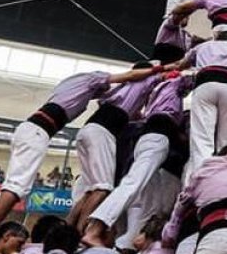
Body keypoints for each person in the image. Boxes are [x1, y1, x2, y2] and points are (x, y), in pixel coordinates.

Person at [0, 69, 156, 247]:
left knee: (90, 189)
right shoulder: (91, 78)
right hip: (38, 131)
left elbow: (114, 99)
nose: (105, 90)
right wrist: (164, 68)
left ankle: (68, 233)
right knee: (16, 187)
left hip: (34, 129)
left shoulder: (69, 86)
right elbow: (130, 76)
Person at [82, 73, 191, 248]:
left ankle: (120, 244)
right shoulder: (172, 86)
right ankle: (95, 229)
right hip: (157, 140)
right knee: (132, 184)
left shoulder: (153, 97)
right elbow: (193, 78)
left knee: (145, 203)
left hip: (147, 142)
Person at [69, 64, 168, 230]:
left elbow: (135, 114)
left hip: (86, 131)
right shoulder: (142, 82)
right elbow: (164, 76)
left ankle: (69, 226)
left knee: (91, 190)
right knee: (103, 188)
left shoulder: (118, 91)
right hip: (102, 132)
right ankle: (80, 231)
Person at [168, 31, 227, 182]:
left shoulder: (202, 47)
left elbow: (180, 65)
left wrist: (162, 69)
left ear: (216, 37)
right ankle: (223, 182)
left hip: (205, 86)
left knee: (201, 140)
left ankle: (198, 183)